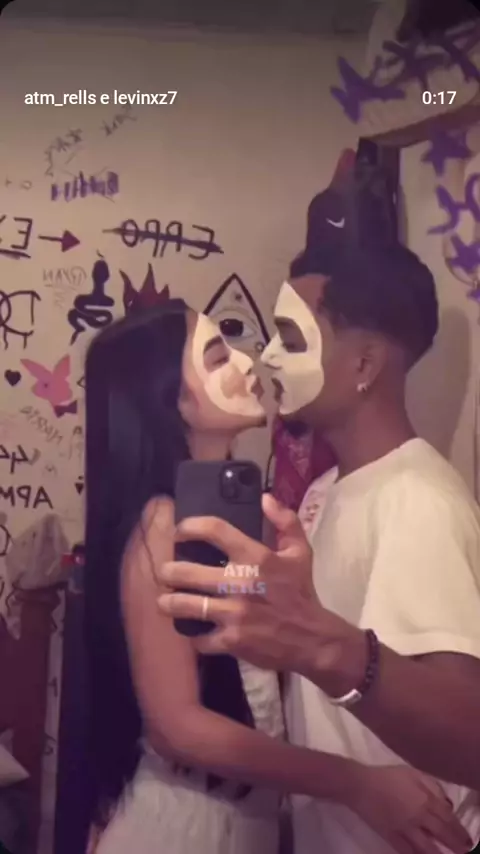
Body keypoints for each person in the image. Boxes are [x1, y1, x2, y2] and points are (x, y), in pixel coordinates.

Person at [83, 298, 468, 854]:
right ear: (174, 401)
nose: (248, 362)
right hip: (183, 828)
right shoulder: (161, 523)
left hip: (245, 822)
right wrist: (355, 783)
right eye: (217, 358)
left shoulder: (252, 519)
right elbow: (177, 726)